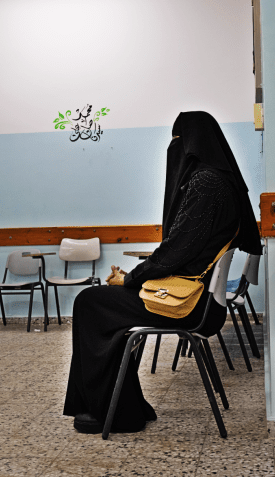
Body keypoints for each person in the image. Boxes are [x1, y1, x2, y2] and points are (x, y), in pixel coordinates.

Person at [63, 111, 262, 434]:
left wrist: (129, 278)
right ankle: (125, 404)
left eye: (177, 141)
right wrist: (134, 278)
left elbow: (174, 251)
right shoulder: (222, 182)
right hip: (203, 301)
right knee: (103, 305)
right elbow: (182, 252)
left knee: (90, 302)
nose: (174, 150)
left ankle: (114, 412)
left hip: (191, 306)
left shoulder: (206, 183)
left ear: (192, 143)